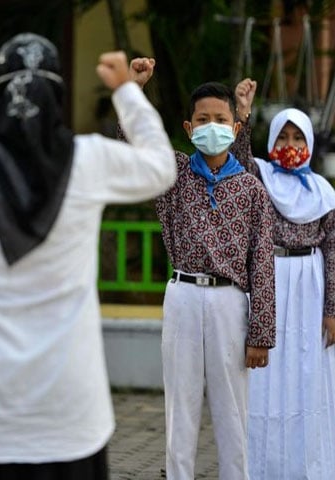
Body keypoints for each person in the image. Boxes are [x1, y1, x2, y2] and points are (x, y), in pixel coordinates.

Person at [0, 32, 176, 480]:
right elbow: (161, 167)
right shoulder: (89, 160)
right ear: (58, 96)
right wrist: (125, 91)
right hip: (71, 413)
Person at [122, 67, 277, 479]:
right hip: (183, 296)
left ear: (236, 126)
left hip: (230, 301)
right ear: (188, 127)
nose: (213, 128)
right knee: (181, 407)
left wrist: (261, 333)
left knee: (233, 411)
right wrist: (134, 91)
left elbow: (262, 263)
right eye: (203, 120)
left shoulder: (251, 189)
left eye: (221, 120)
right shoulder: (172, 174)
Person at [230, 80, 335, 479]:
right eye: (283, 135)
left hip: (310, 287)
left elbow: (334, 252)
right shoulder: (260, 177)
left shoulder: (324, 193)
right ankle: (261, 466)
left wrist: (332, 311)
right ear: (272, 139)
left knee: (307, 374)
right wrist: (242, 112)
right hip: (269, 281)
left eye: (298, 136)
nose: (290, 142)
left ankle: (308, 465)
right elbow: (236, 162)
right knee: (265, 378)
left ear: (309, 143)